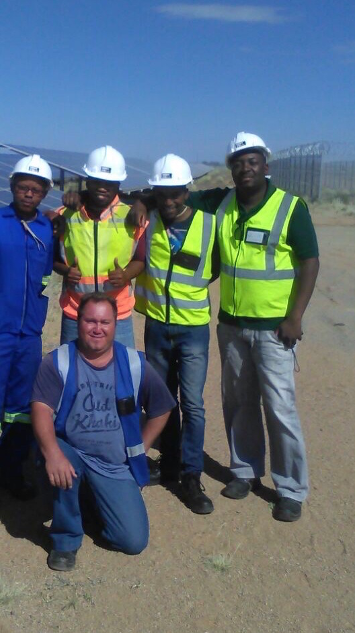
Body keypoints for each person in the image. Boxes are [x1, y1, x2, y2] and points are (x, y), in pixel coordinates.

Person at [131, 132, 319, 522]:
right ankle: (245, 471)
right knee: (238, 403)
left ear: (265, 166)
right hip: (231, 323)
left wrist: (295, 317)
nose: (245, 168)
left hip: (275, 327)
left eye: (252, 161)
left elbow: (310, 261)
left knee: (279, 407)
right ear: (231, 169)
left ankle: (290, 489)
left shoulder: (289, 207)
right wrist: (141, 200)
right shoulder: (221, 202)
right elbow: (169, 195)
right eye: (238, 162)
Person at [31, 293, 174, 572]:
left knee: (133, 541)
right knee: (64, 463)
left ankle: (91, 503)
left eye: (105, 322)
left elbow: (162, 408)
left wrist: (141, 448)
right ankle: (65, 540)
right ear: (78, 321)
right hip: (71, 451)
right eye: (90, 321)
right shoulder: (58, 361)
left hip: (113, 463)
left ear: (115, 324)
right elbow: (40, 409)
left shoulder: (134, 364)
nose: (97, 328)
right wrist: (53, 454)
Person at [0, 155, 54, 515]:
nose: (28, 193)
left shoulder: (46, 229)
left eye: (36, 189)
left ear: (44, 192)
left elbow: (44, 279)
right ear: (12, 186)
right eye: (22, 187)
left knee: (21, 407)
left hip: (29, 334)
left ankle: (13, 468)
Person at [134, 154, 219, 514]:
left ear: (187, 192)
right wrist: (141, 200)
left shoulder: (210, 224)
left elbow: (214, 268)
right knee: (161, 399)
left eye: (176, 193)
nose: (169, 200)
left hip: (193, 329)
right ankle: (169, 464)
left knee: (193, 404)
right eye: (161, 193)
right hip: (157, 325)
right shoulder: (148, 221)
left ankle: (191, 474)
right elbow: (118, 197)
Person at [54, 146, 145, 348]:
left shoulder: (132, 215)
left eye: (109, 183)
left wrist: (126, 275)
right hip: (75, 311)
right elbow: (53, 258)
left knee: (122, 366)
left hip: (117, 312)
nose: (103, 187)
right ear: (87, 181)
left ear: (118, 184)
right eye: (97, 181)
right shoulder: (65, 215)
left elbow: (140, 258)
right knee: (71, 366)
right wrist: (66, 271)